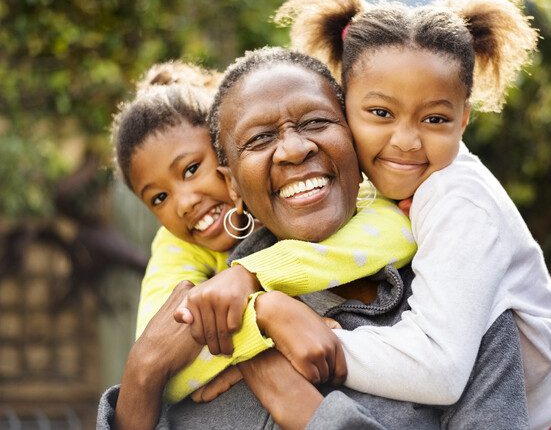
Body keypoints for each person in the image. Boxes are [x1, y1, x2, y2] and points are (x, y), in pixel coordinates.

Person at [272, 0, 551, 429]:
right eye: (381, 113)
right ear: (343, 105)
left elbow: (440, 369)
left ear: (463, 120)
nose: (405, 140)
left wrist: (328, 343)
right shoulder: (371, 189)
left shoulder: (458, 199)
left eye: (435, 118)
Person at [97, 47, 530, 429]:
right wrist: (145, 370)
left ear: (356, 141)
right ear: (232, 185)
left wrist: (306, 411)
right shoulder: (206, 322)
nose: (293, 149)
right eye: (260, 138)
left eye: (317, 122)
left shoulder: (459, 305)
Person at [110, 60, 417, 403]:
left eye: (192, 168)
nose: (183, 202)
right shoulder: (175, 246)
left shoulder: (337, 190)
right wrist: (263, 326)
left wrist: (253, 277)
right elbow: (159, 351)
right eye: (159, 197)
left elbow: (398, 231)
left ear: (228, 152)